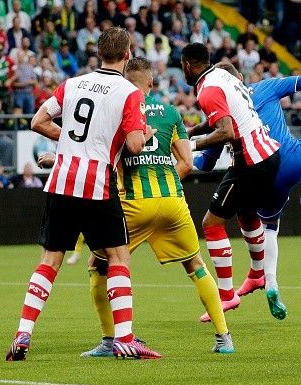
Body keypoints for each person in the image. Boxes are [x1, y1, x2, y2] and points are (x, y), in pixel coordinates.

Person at [42, 57, 234, 355]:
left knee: (98, 266)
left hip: (132, 204)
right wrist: (166, 185)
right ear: (151, 83)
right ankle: (224, 338)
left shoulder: (118, 108)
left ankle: (109, 341)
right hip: (172, 201)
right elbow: (187, 162)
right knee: (196, 265)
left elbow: (99, 154)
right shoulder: (170, 112)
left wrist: (56, 160)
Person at [6, 27, 160, 361]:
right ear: (128, 53)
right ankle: (125, 338)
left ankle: (23, 333)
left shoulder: (73, 84)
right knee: (118, 257)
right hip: (97, 184)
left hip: (62, 179)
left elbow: (38, 120)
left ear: (99, 52)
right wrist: (145, 135)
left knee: (50, 260)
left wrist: (70, 144)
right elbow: (133, 146)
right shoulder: (130, 92)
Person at [194, 62, 301, 320]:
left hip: (259, 176)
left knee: (269, 226)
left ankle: (270, 282)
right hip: (291, 161)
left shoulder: (223, 113)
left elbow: (205, 164)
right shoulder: (264, 87)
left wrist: (185, 147)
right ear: (241, 79)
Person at [180, 43, 282, 321]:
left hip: (251, 161)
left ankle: (227, 295)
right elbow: (223, 120)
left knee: (211, 224)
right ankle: (258, 274)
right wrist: (190, 130)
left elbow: (225, 131)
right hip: (268, 154)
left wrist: (192, 144)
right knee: (247, 214)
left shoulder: (208, 89)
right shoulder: (223, 76)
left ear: (188, 65)